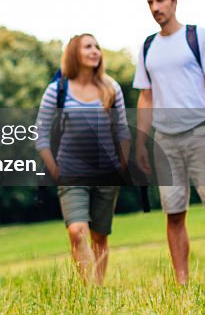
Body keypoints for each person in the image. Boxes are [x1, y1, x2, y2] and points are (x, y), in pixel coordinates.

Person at [133, 0, 205, 285]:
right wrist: (141, 143)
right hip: (165, 141)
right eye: (150, 3)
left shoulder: (197, 36)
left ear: (174, 1)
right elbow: (146, 97)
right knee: (174, 213)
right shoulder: (147, 46)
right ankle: (182, 282)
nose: (155, 8)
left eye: (160, 1)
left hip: (200, 132)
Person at [35, 34, 132, 285]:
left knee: (99, 236)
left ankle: (97, 290)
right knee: (77, 231)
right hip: (71, 174)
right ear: (74, 54)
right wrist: (55, 169)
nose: (94, 51)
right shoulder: (57, 90)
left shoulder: (111, 88)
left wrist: (123, 165)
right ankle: (89, 290)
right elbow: (41, 134)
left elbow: (123, 130)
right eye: (87, 46)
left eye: (97, 46)